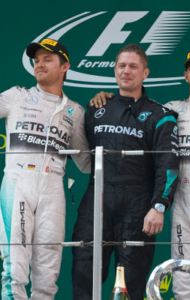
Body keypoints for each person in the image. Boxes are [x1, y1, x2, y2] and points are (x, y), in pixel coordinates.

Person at [90, 47, 190, 299]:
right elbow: (138, 110)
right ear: (185, 75)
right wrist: (107, 97)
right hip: (182, 200)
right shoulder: (170, 110)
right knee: (182, 280)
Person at [72, 44, 179, 300]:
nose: (126, 71)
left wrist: (159, 205)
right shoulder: (96, 109)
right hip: (96, 201)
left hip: (138, 204)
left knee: (131, 280)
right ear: (115, 70)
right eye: (122, 66)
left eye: (133, 66)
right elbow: (81, 152)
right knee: (84, 273)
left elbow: (169, 164)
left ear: (145, 73)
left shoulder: (161, 115)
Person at [0, 38, 91, 300]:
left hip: (54, 188)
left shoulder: (75, 111)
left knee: (48, 273)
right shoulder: (17, 96)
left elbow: (86, 163)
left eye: (47, 59)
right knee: (14, 266)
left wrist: (103, 114)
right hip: (18, 182)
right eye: (36, 60)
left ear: (65, 67)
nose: (39, 64)